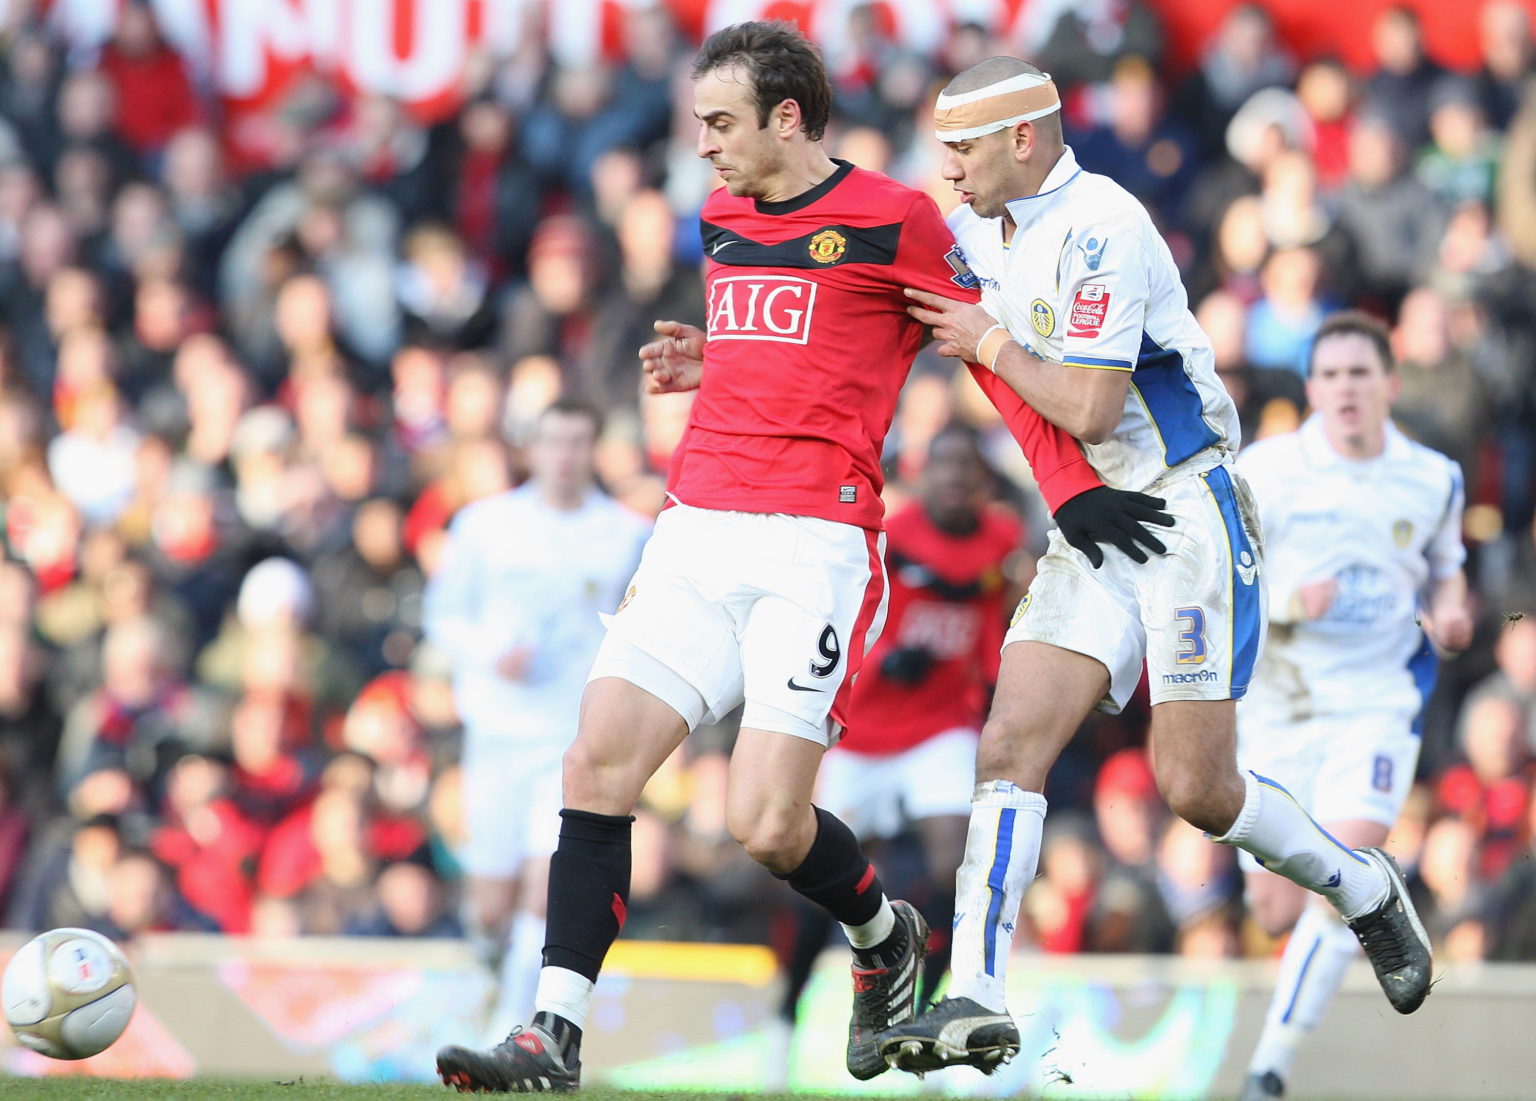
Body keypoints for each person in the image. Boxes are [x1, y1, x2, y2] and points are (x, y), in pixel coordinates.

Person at [434, 22, 1167, 1094]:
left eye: (721, 123)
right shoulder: (722, 216)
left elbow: (982, 343)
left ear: (788, 118)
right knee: (594, 765)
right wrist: (713, 356)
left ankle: (884, 936)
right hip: (694, 526)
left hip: (813, 545)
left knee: (765, 825)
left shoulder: (899, 219)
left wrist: (1072, 486)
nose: (704, 146)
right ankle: (554, 1033)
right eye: (699, 124)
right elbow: (787, 333)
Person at [878, 57, 1437, 1077]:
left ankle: (1361, 888)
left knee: (1197, 788)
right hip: (1091, 518)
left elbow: (1089, 406)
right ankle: (976, 991)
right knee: (1009, 743)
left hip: (1184, 509)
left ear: (1023, 140)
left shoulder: (1106, 224)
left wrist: (991, 342)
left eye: (961, 146)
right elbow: (889, 311)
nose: (944, 167)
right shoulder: (979, 227)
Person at [1230, 311, 1473, 1101]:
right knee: (1272, 907)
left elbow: (1446, 568)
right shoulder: (1265, 469)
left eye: (1359, 374)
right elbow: (1221, 580)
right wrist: (1292, 603)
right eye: (1329, 375)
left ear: (1389, 386)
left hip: (1378, 700)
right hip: (1279, 701)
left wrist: (1454, 608)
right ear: (1310, 389)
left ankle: (1268, 1070)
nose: (1344, 388)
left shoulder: (1433, 476)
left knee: (1348, 876)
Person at [769, 422, 1023, 1067]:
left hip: (940, 726)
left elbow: (997, 615)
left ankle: (928, 1022)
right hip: (865, 731)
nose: (956, 480)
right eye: (945, 466)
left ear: (982, 482)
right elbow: (848, 613)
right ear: (925, 473)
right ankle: (783, 1017)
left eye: (968, 469)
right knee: (820, 880)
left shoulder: (1003, 543)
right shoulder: (892, 535)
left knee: (952, 864)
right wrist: (884, 664)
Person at [423, 399, 650, 1045]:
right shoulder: (484, 525)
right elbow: (444, 613)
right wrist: (490, 653)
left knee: (541, 885)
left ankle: (509, 1023)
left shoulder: (623, 534)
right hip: (494, 733)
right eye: (556, 440)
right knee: (488, 904)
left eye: (580, 441)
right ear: (534, 448)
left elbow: (636, 627)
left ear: (594, 448)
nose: (567, 455)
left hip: (567, 736)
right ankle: (490, 974)